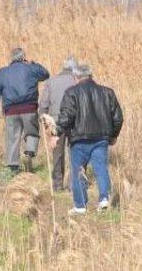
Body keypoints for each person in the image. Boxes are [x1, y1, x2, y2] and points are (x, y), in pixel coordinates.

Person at [50, 65, 124, 216]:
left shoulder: (71, 92)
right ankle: (104, 199)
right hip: (101, 139)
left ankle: (80, 205)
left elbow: (67, 117)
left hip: (79, 139)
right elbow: (118, 117)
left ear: (75, 78)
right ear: (91, 76)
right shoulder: (107, 92)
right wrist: (113, 136)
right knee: (101, 169)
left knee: (78, 170)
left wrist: (56, 133)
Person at [0, 48, 50, 173]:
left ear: (11, 58)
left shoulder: (2, 73)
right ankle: (29, 153)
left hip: (11, 110)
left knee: (12, 137)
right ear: (23, 57)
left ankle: (13, 167)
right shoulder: (31, 68)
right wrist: (33, 63)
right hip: (29, 108)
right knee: (32, 132)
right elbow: (46, 74)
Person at [39, 56, 78, 191]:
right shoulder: (76, 81)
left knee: (57, 153)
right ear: (74, 68)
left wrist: (45, 123)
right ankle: (74, 184)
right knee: (75, 151)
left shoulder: (51, 81)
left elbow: (43, 104)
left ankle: (57, 184)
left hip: (55, 121)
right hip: (74, 121)